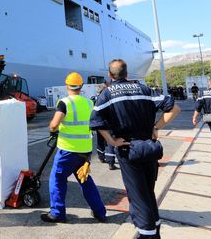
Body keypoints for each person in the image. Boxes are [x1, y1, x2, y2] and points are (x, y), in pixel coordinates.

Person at [90, 59, 181, 239]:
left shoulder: (107, 94)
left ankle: (147, 234)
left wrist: (112, 141)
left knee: (138, 196)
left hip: (128, 149)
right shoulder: (144, 89)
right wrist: (156, 127)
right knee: (148, 191)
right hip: (149, 148)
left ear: (110, 75)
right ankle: (154, 227)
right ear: (126, 73)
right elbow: (174, 108)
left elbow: (95, 121)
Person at [41, 72, 107, 224]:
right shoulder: (89, 103)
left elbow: (54, 124)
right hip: (85, 151)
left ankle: (57, 213)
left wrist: (53, 130)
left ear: (66, 85)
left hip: (68, 151)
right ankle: (100, 212)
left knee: (57, 179)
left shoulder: (64, 103)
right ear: (81, 86)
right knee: (85, 180)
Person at [93, 83, 117, 170]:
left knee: (100, 141)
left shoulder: (96, 99)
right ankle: (111, 162)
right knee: (109, 142)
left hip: (99, 123)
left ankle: (101, 156)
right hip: (108, 124)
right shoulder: (107, 98)